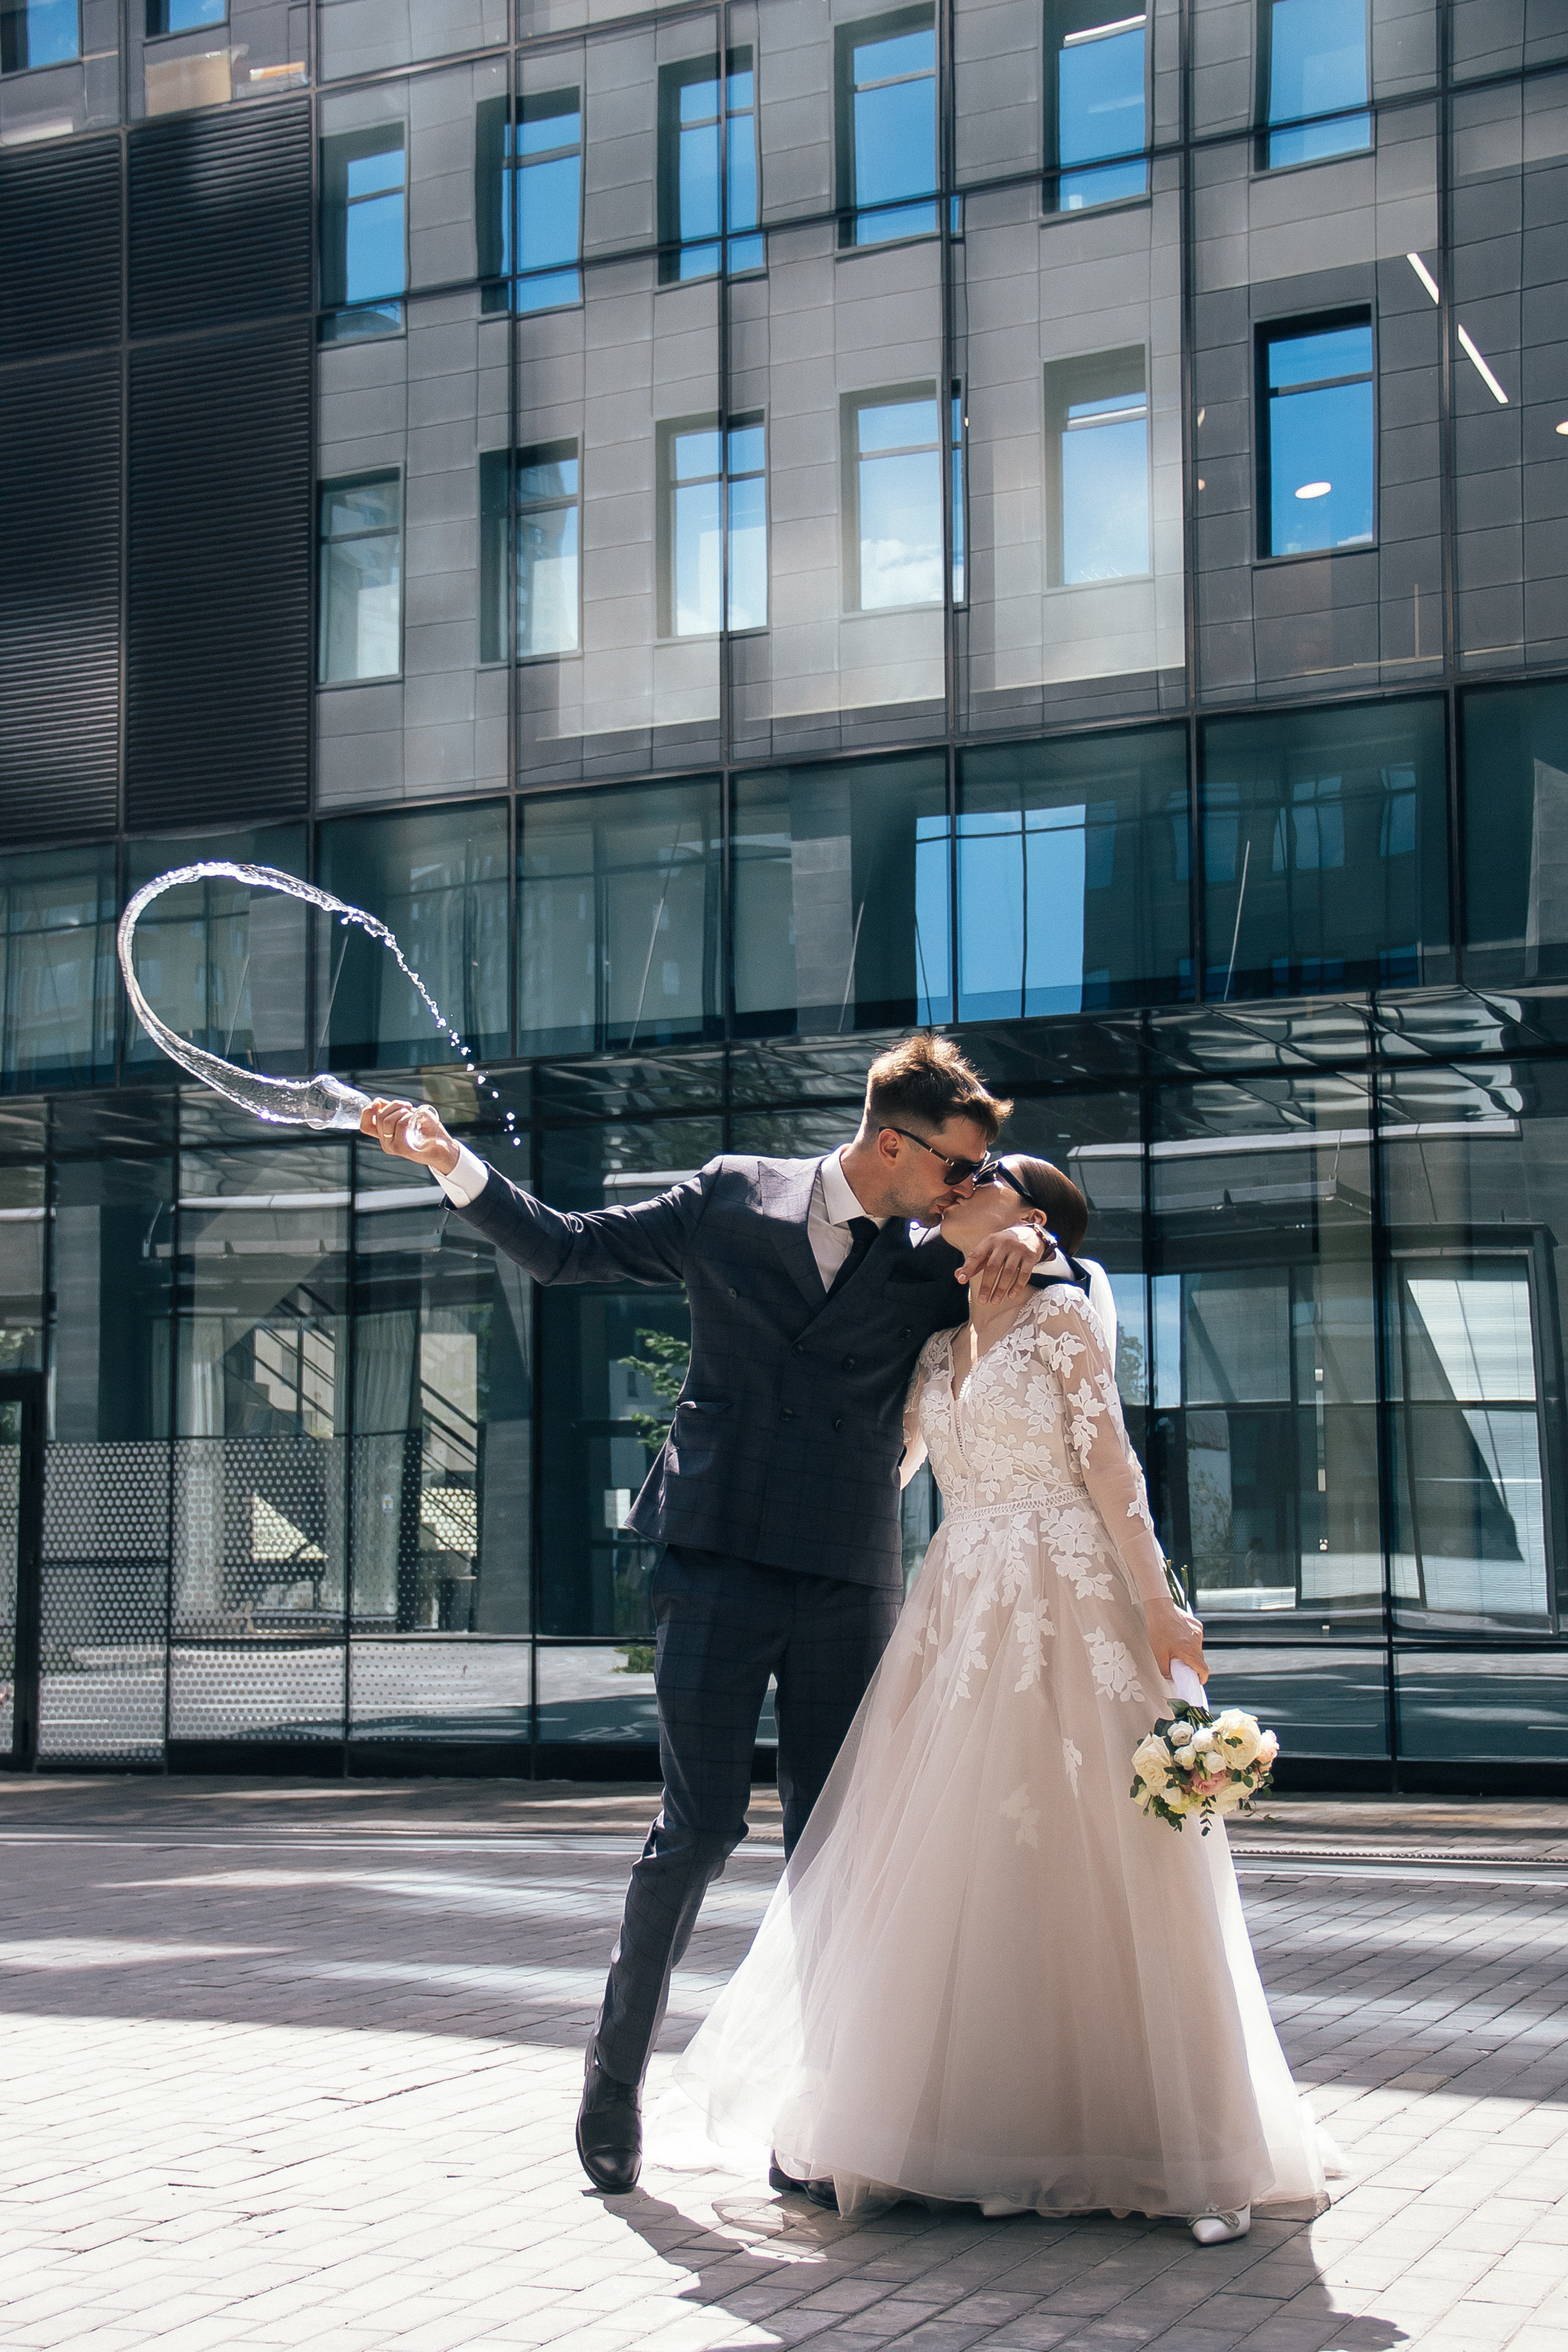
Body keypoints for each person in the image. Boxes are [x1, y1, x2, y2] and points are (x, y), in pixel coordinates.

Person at [358, 1035, 1049, 2195]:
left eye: (979, 1175)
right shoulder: (734, 1196)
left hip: (845, 1574)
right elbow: (567, 1249)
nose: (969, 1186)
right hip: (716, 1554)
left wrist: (1027, 1237)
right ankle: (614, 2078)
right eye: (958, 1167)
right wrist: (447, 1159)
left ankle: (825, 2121)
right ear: (893, 1144)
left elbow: (1049, 1273)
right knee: (700, 1829)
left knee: (832, 1846)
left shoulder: (942, 1250)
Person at [673, 1154, 1332, 2242]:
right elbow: (887, 1467)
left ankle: (1177, 2142)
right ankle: (950, 2129)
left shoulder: (1062, 1317)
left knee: (1102, 1848)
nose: (955, 1182)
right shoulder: (935, 1341)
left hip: (1067, 1599)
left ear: (1030, 1217)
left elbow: (1114, 1470)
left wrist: (1161, 1607)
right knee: (955, 1852)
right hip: (958, 1608)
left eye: (980, 1175)